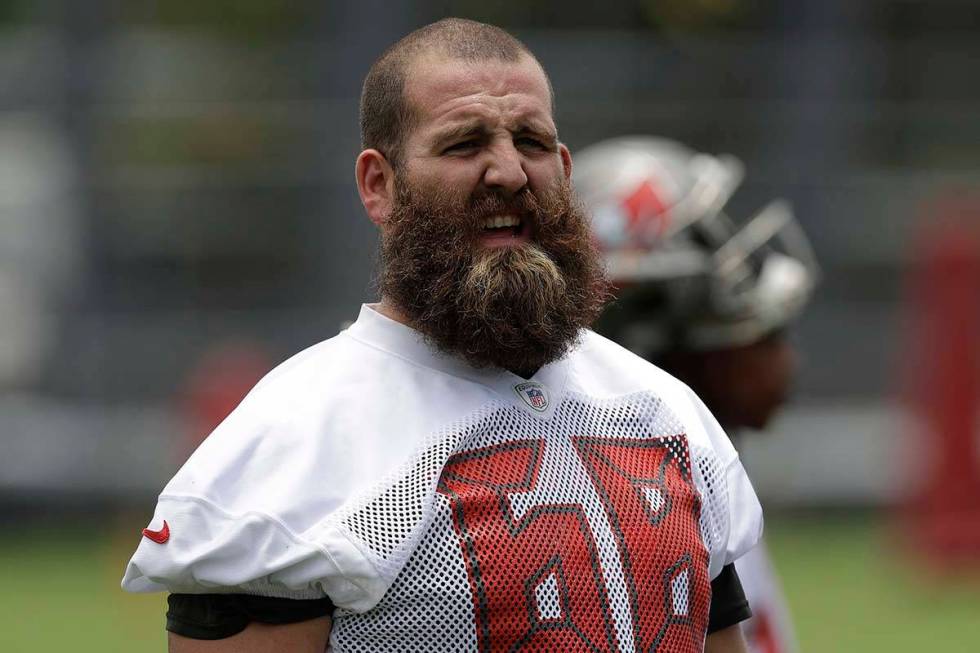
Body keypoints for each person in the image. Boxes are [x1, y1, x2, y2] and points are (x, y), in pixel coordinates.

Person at [122, 19, 763, 652]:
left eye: (532, 142)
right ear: (381, 185)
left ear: (564, 168)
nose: (509, 171)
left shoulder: (665, 411)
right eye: (464, 144)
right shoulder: (292, 445)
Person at [573, 136, 820, 653]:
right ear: (650, 319)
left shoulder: (703, 487)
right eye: (721, 274)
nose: (752, 302)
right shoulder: (643, 523)